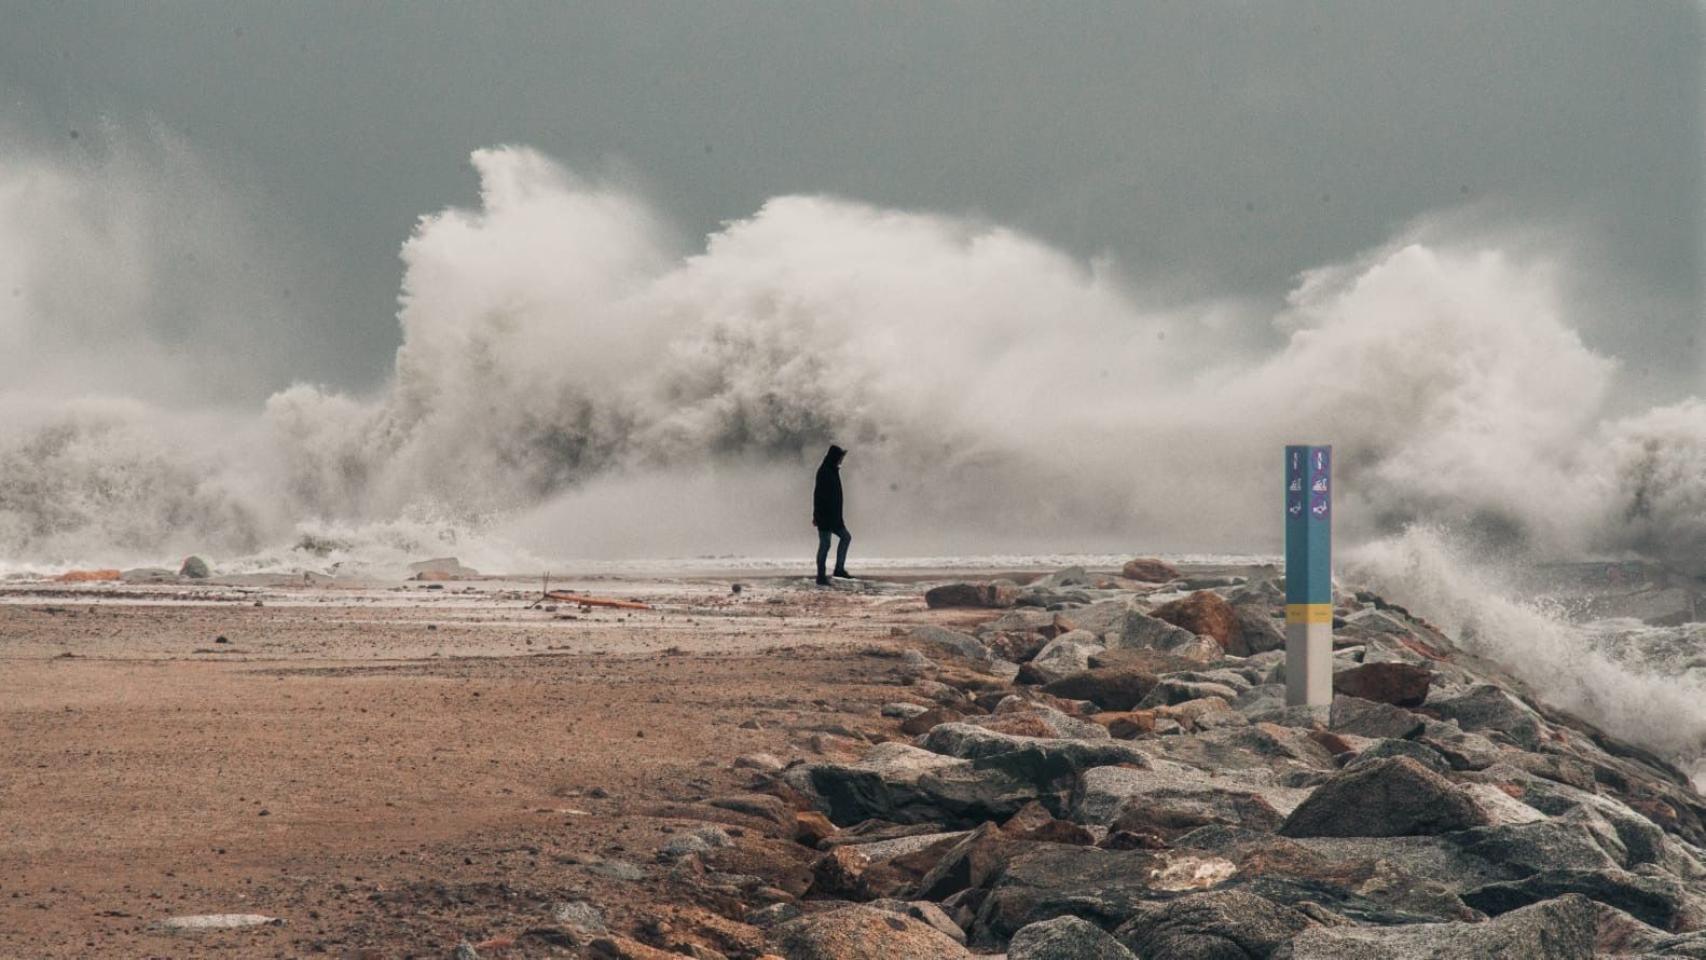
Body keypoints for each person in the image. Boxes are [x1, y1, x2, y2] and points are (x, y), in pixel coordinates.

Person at [813, 444, 853, 585]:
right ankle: (821, 575)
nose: (841, 459)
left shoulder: (832, 470)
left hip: (834, 516)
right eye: (840, 457)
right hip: (825, 516)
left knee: (845, 538)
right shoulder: (825, 472)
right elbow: (818, 495)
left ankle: (838, 569)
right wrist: (817, 515)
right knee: (825, 544)